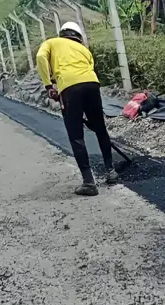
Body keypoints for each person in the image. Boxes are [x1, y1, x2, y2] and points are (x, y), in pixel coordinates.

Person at [37, 21, 117, 196]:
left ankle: (89, 183)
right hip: (92, 84)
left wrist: (48, 86)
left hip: (69, 87)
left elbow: (41, 58)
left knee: (76, 135)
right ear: (78, 36)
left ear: (63, 33)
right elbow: (88, 70)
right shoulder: (84, 50)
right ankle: (111, 171)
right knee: (100, 128)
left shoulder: (51, 42)